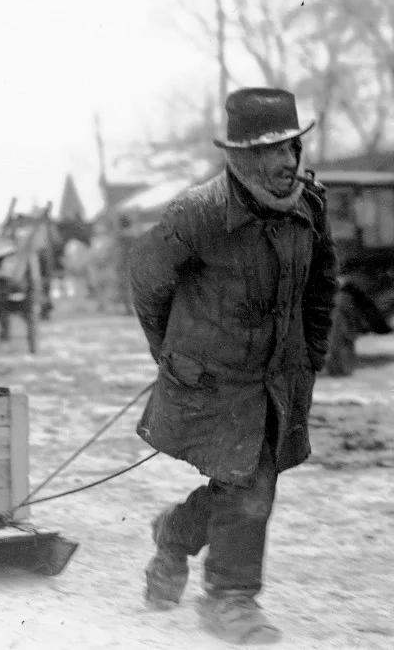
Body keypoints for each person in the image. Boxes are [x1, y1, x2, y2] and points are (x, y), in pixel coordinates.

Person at [129, 87, 337, 645]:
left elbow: (322, 286)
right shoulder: (196, 214)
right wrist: (171, 354)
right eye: (271, 151)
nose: (288, 162)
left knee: (240, 483)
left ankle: (173, 534)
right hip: (213, 383)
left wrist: (311, 358)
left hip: (276, 381)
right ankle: (230, 599)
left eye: (292, 147)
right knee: (249, 488)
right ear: (240, 157)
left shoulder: (309, 209)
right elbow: (148, 285)